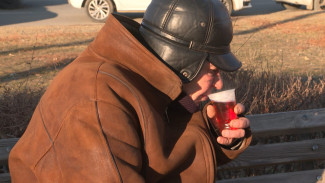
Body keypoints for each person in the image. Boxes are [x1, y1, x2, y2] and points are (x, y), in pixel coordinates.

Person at [9, 0, 252, 182]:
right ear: (184, 64)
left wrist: (218, 134)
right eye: (213, 71)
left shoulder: (146, 83)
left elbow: (159, 154)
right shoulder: (97, 99)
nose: (219, 84)